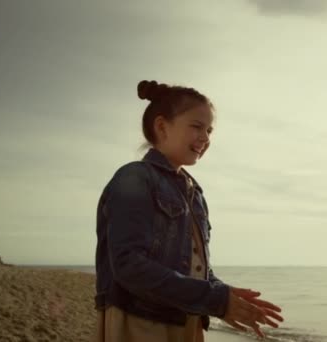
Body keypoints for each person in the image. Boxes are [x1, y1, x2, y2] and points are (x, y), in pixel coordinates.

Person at [93, 80, 284, 341]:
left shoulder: (194, 193)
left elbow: (192, 265)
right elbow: (128, 265)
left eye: (209, 130)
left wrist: (225, 295)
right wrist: (214, 299)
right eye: (196, 126)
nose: (205, 138)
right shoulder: (135, 177)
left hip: (187, 321)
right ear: (162, 126)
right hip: (140, 321)